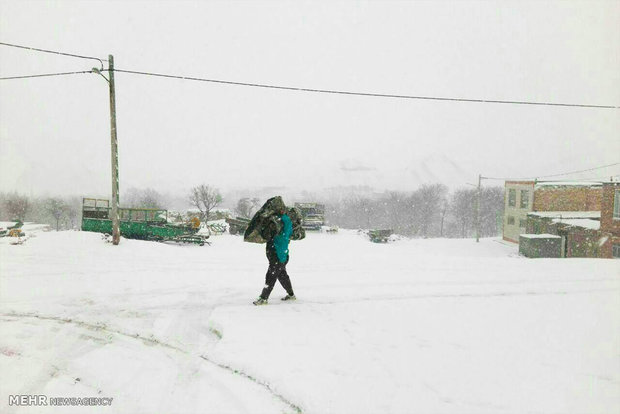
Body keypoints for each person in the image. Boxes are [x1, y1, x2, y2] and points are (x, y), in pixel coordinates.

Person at [253, 208, 296, 305]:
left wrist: (281, 216)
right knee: (282, 276)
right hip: (280, 255)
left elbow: (285, 228)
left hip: (278, 256)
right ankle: (291, 295)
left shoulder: (284, 222)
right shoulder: (278, 222)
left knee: (270, 276)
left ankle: (263, 298)